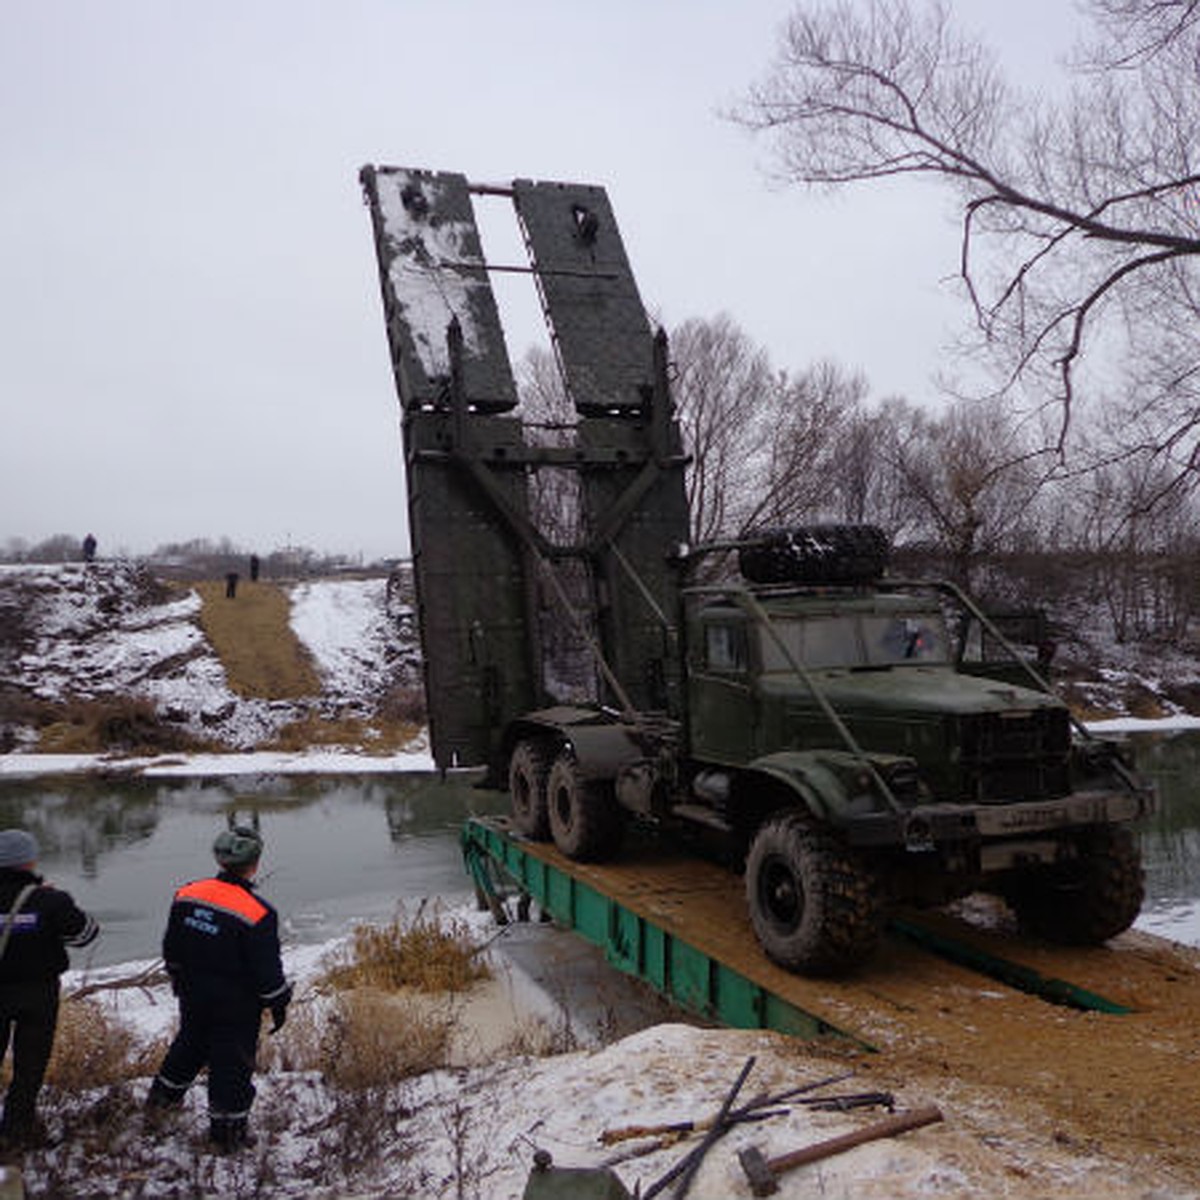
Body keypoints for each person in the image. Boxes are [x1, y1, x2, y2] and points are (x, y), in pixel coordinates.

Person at [146, 825, 291, 1151]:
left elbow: (172, 947)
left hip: (193, 994)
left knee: (188, 1046)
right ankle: (227, 1136)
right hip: (236, 1004)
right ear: (254, 864)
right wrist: (279, 1001)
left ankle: (158, 1107)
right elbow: (266, 970)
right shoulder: (258, 912)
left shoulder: (187, 893)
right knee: (232, 1064)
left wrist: (178, 978)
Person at [0, 828, 99, 1150]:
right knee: (30, 1067)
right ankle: (16, 1132)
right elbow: (85, 935)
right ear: (29, 861)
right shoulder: (49, 900)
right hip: (38, 994)